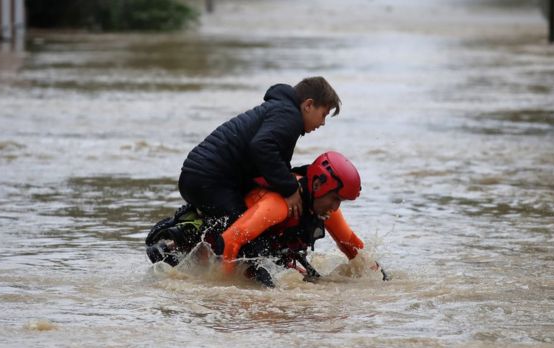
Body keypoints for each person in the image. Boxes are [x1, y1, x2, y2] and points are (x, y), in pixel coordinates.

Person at [146, 151, 389, 287]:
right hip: (221, 246)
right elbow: (230, 242)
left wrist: (381, 277)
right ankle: (173, 243)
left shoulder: (325, 207)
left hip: (259, 252)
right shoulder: (278, 206)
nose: (335, 207)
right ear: (316, 184)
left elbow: (351, 244)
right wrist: (226, 289)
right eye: (335, 198)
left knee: (313, 283)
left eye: (341, 202)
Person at [178, 77, 341, 251]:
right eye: (323, 114)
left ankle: (195, 242)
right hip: (208, 180)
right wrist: (290, 188)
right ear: (308, 105)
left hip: (206, 177)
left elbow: (276, 160)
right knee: (247, 236)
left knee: (253, 226)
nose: (323, 122)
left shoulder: (284, 112)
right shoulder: (289, 116)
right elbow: (262, 147)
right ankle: (180, 244)